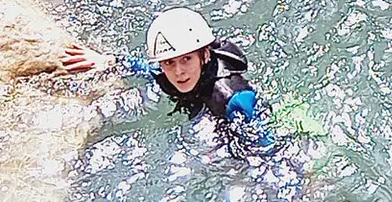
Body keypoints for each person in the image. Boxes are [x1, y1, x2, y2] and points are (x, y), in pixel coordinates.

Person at [62, 8, 269, 133]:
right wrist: (110, 61)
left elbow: (269, 149)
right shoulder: (169, 71)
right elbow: (147, 69)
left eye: (187, 59)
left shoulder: (234, 99)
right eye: (169, 62)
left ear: (205, 55)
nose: (178, 71)